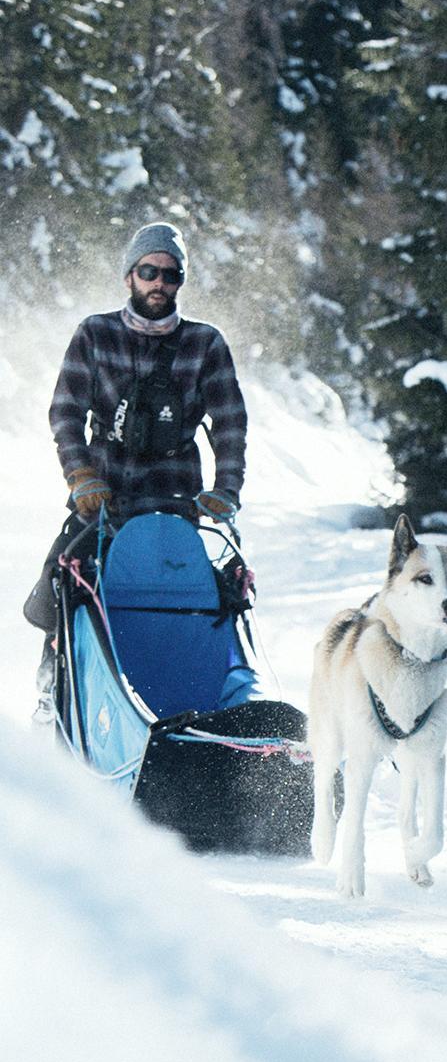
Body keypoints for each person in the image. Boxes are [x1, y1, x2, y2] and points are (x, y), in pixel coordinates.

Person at [25, 221, 249, 720]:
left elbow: (230, 422)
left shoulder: (205, 344)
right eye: (149, 271)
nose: (159, 284)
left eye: (171, 276)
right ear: (130, 275)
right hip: (103, 499)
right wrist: (81, 475)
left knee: (193, 601)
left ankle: (186, 703)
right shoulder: (95, 334)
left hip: (174, 505)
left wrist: (226, 490)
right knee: (60, 590)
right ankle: (52, 692)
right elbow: (66, 411)